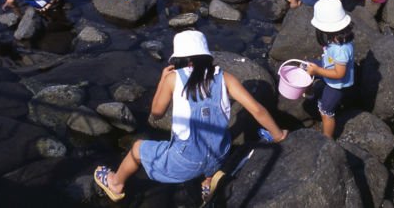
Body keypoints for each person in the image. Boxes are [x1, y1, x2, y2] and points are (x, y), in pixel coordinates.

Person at [93, 30, 287, 203]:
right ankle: (208, 182)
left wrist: (162, 80)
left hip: (186, 160)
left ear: (182, 59)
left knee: (136, 149)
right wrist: (278, 135)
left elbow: (157, 113)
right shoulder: (225, 78)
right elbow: (257, 110)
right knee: (217, 140)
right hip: (220, 153)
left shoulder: (173, 79)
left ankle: (115, 183)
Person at [303, 0, 354, 139]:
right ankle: (310, 92)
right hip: (328, 66)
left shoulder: (341, 49)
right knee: (304, 66)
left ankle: (327, 139)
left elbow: (339, 74)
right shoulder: (338, 37)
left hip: (337, 84)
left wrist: (317, 71)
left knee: (326, 112)